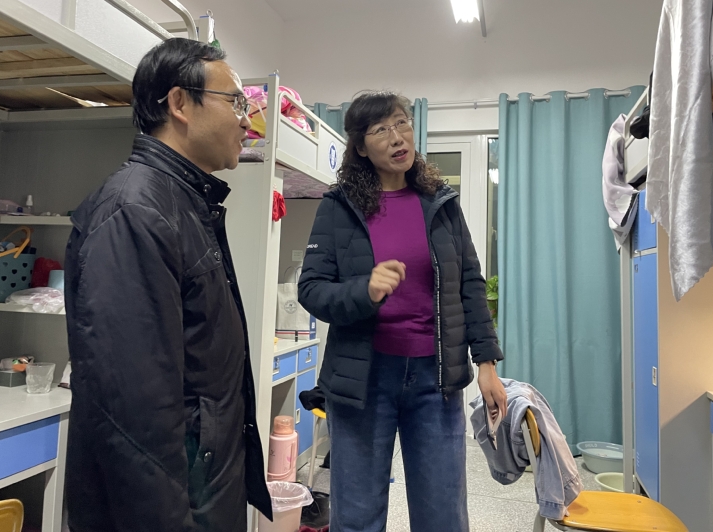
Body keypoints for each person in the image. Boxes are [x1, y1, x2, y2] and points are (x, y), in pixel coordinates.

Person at [64, 38, 271, 532]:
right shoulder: (135, 211)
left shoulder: (182, 202)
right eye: (236, 102)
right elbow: (133, 414)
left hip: (202, 486)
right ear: (180, 103)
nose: (248, 122)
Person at [298, 91, 507, 532]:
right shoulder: (339, 207)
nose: (397, 137)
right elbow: (312, 290)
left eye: (402, 123)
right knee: (357, 517)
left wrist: (486, 363)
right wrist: (364, 290)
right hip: (364, 380)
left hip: (436, 380)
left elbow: (470, 282)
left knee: (443, 516)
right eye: (381, 130)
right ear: (360, 147)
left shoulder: (441, 202)